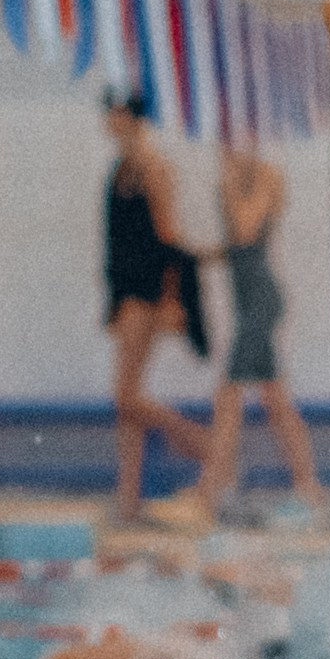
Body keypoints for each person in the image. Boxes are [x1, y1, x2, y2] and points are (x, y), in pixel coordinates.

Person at [165, 143, 325, 527]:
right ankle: (309, 489)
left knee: (229, 396)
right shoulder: (240, 177)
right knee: (275, 400)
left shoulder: (267, 177)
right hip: (249, 303)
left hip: (260, 303)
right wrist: (203, 256)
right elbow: (239, 247)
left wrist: (233, 178)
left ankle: (207, 496)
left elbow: (246, 228)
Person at [101, 89, 212, 526]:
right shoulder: (119, 168)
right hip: (126, 289)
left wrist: (171, 300)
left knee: (125, 396)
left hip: (146, 291)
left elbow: (167, 237)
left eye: (112, 114)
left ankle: (200, 442)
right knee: (127, 399)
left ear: (129, 117)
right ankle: (128, 499)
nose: (108, 121)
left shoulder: (152, 167)